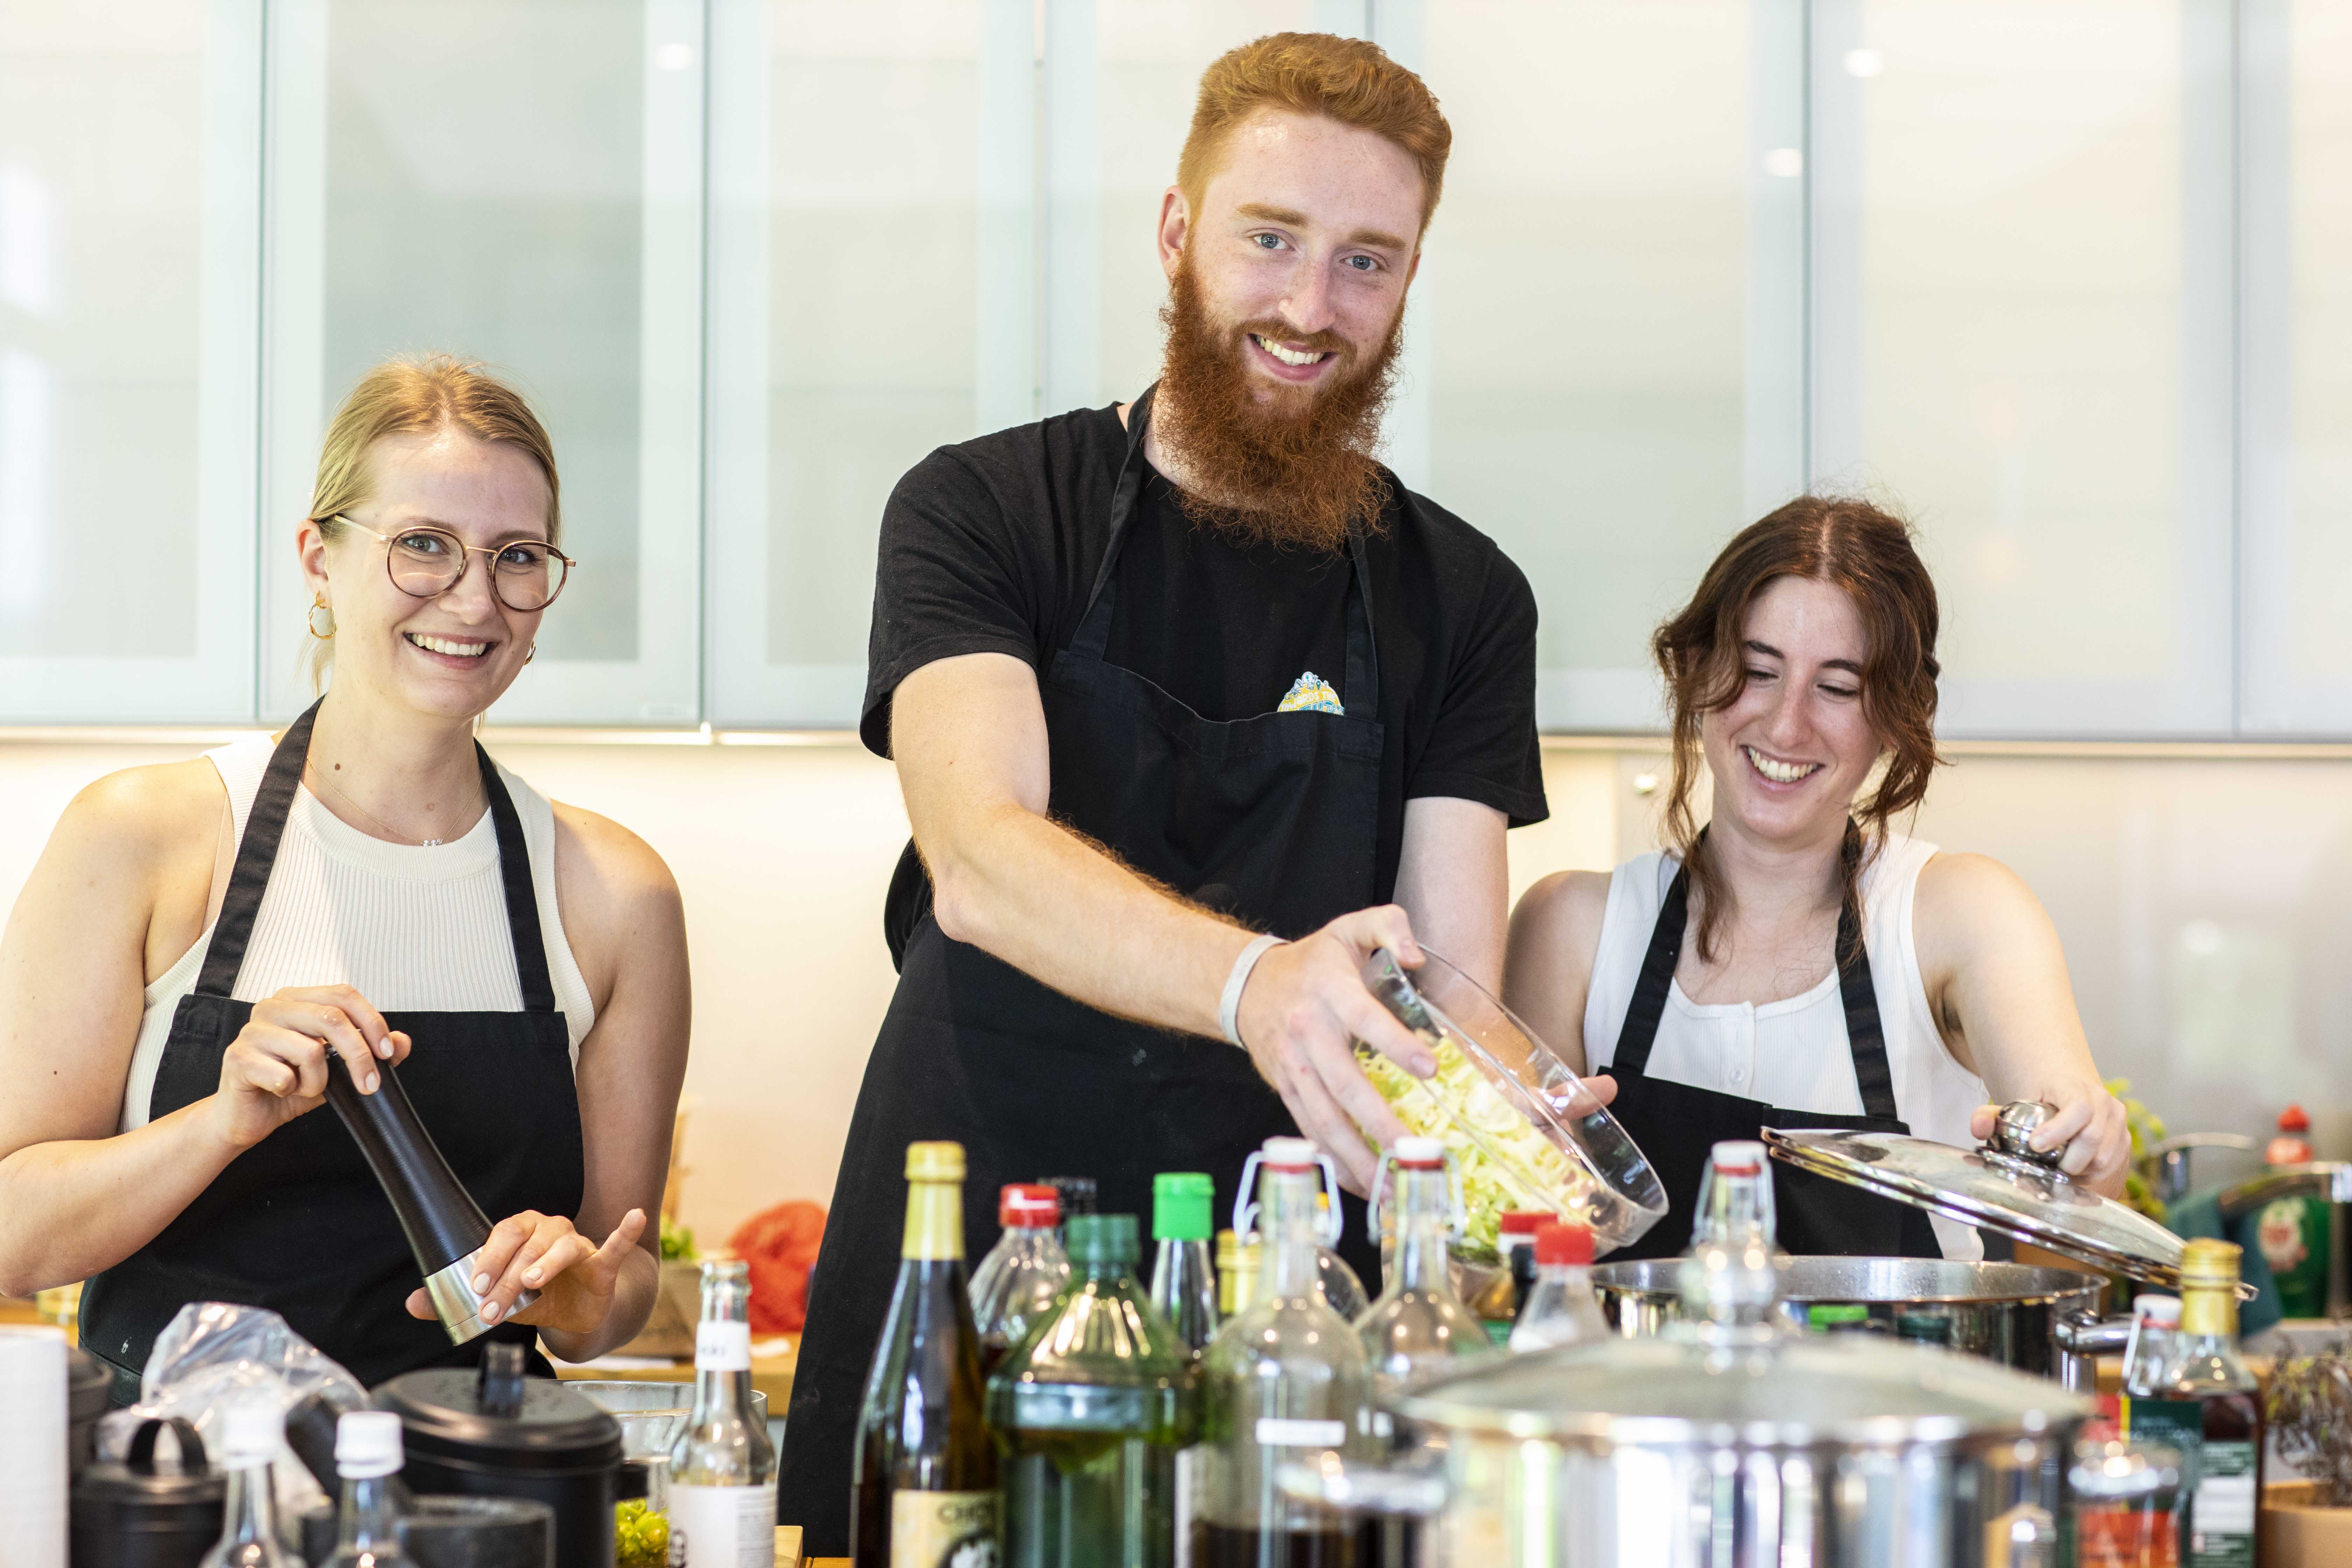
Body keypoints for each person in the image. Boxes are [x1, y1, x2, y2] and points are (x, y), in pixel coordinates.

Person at [781, 32, 1565, 1552]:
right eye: (1270, 239)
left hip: (1287, 1302)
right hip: (981, 1251)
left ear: (1410, 279)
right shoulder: (987, 509)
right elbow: (981, 859)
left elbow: (1445, 990)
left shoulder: (1464, 598)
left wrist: (1505, 1126)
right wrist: (1260, 984)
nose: (1311, 305)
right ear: (1176, 232)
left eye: (1366, 261)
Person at [0, 355, 690, 1400]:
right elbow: (14, 1235)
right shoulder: (142, 838)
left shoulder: (617, 897)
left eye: (517, 556)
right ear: (319, 559)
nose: (475, 599)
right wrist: (219, 1122)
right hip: (188, 1477)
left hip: (477, 1479)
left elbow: (621, 1275)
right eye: (424, 544)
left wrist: (583, 1295)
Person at [1504, 496, 2130, 1261]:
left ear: (1894, 718)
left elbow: (2078, 1190)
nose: (1786, 725)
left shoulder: (1963, 914)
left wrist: (2089, 1146)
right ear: (1696, 671)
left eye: (1837, 688)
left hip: (1913, 1347)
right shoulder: (1570, 927)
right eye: (1758, 671)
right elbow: (1502, 1246)